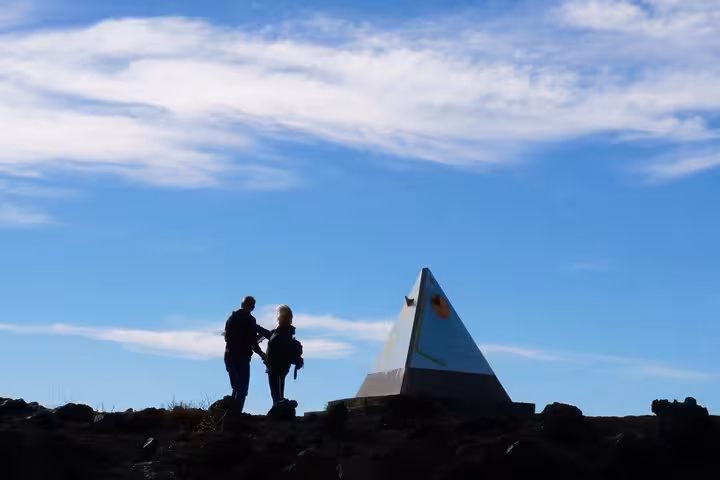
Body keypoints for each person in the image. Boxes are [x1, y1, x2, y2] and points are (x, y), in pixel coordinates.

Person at [223, 296, 271, 413]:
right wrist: (262, 354)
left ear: (242, 304)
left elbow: (227, 337)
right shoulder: (250, 320)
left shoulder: (231, 318)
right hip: (242, 358)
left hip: (229, 356)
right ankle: (236, 414)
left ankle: (229, 414)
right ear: (252, 307)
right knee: (242, 389)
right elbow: (252, 342)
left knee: (235, 387)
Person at [264, 304, 303, 405]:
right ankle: (280, 410)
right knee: (277, 395)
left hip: (277, 368)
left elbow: (281, 350)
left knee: (277, 396)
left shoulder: (283, 332)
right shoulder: (282, 331)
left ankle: (281, 411)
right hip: (277, 367)